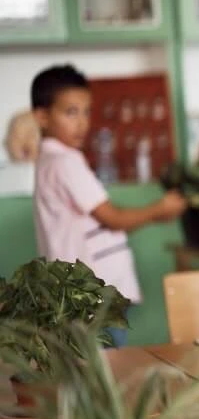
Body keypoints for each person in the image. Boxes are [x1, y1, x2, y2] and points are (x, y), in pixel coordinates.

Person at [31, 64, 186, 347]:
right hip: (95, 294)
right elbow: (111, 217)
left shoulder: (49, 161)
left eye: (86, 111)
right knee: (108, 369)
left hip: (76, 291)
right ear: (42, 116)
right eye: (70, 112)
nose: (82, 122)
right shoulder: (66, 161)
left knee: (89, 371)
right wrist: (158, 210)